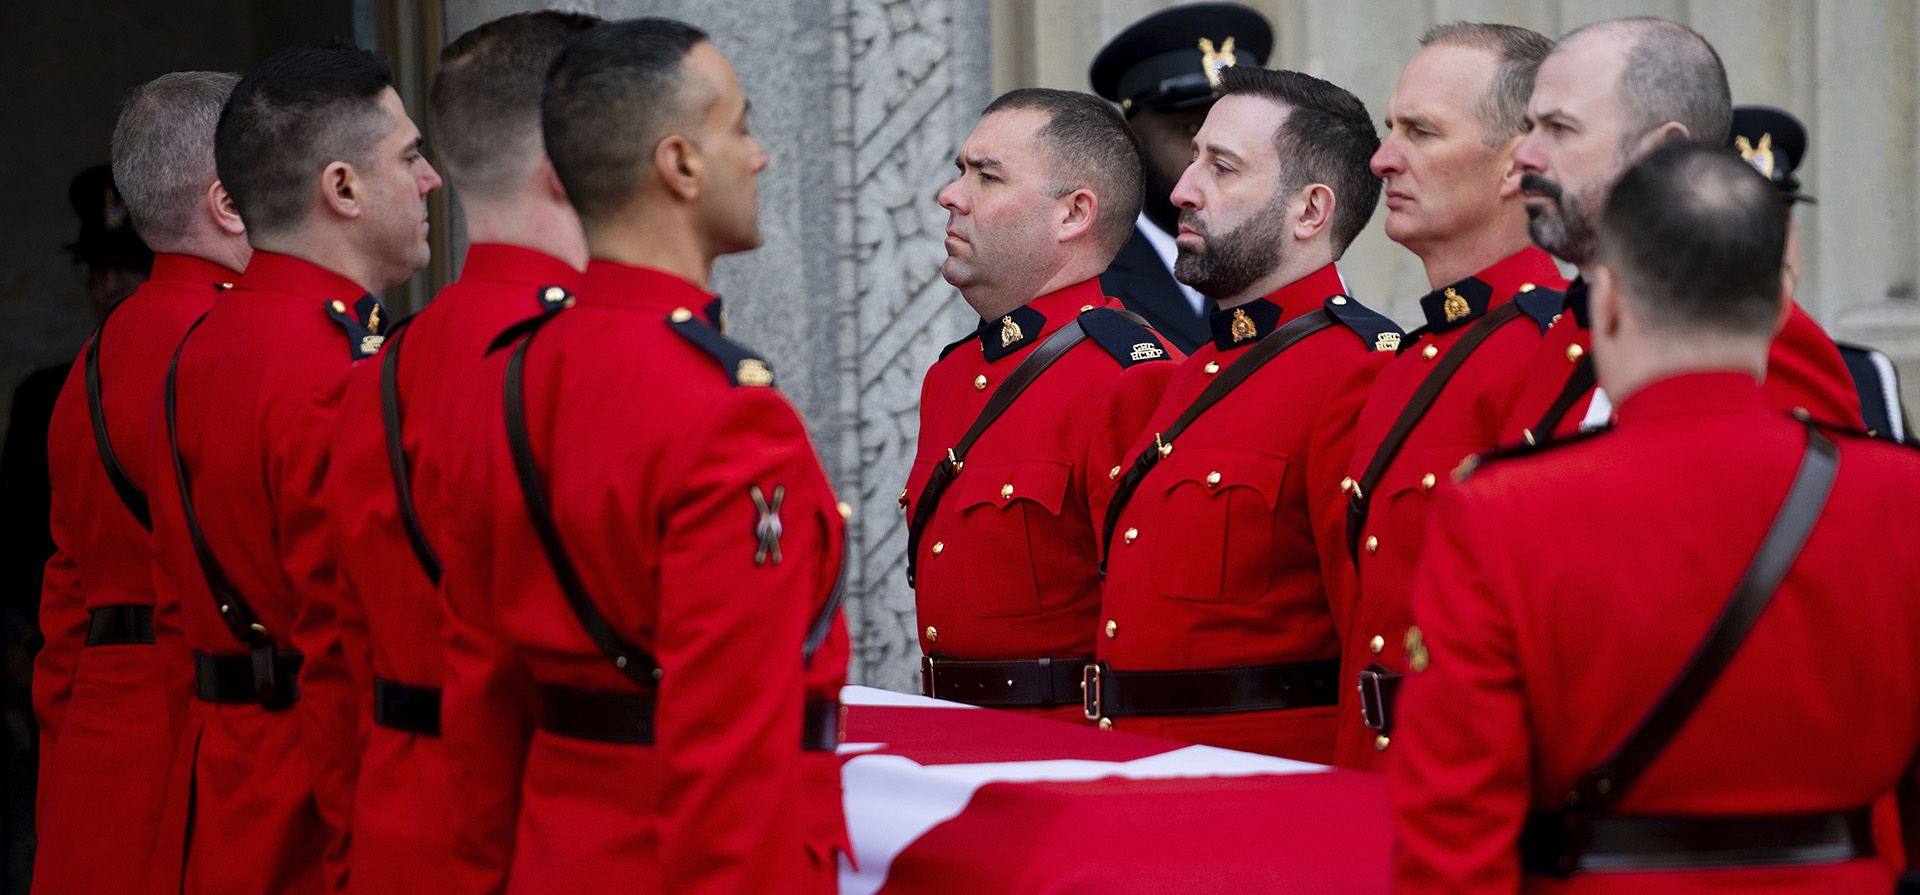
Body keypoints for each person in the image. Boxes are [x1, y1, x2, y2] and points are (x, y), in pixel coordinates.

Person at [1392, 137, 1920, 893]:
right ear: (1781, 302)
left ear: (1607, 300)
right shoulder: (1900, 496)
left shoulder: (1500, 513)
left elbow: (1455, 836)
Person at [439, 18, 849, 892]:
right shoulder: (728, 411)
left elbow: (480, 703)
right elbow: (730, 756)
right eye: (740, 127)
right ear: (680, 165)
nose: (761, 156)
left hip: (552, 857)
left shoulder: (504, 379)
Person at [144, 47, 440, 893]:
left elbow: (175, 624)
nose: (431, 181)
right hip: (314, 818)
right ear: (342, 188)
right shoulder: (339, 370)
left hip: (224, 794)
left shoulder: (199, 347)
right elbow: (343, 645)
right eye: (410, 157)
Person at [315, 12, 598, 893]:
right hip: (565, 825)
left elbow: (335, 659)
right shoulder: (608, 361)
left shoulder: (378, 371)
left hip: (401, 826)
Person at [1089, 65, 1398, 762]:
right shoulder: (1188, 373)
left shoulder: (1359, 372)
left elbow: (1372, 640)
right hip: (1141, 779)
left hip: (1267, 791)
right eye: (1194, 156)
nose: (1182, 190)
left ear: (1310, 211)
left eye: (1222, 167)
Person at [32, 72, 246, 894]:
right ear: (231, 199)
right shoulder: (246, 345)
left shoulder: (90, 364)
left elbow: (64, 618)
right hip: (215, 753)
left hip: (100, 762)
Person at [1332, 23, 1565, 770]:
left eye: (1421, 132)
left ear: (1516, 164)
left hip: (1468, 776)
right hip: (1372, 770)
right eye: (1390, 128)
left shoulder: (1551, 349)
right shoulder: (1411, 356)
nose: (1382, 158)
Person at [906, 88, 1179, 721]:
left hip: (1070, 750)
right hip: (954, 737)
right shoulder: (952, 375)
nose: (951, 196)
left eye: (987, 177)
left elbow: (1153, 627)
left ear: (1073, 214)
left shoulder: (1130, 377)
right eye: (960, 171)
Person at [1505, 17, 1861, 445]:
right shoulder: (1571, 327)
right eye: (1530, 128)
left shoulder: (1748, 334)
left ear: (1663, 149)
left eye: (1559, 128)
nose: (1524, 156)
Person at [1730, 103, 1918, 444]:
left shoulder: (1867, 376)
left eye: (1781, 218)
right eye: (1747, 219)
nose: (1772, 241)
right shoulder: (1668, 375)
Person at [1091, 2, 1272, 353]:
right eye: (1190, 129)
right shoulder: (1089, 273)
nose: (1217, 154)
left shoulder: (1285, 263)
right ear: (1131, 139)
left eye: (1233, 132)